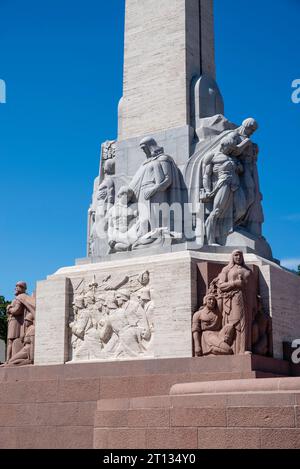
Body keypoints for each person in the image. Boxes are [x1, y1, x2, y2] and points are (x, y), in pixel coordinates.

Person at [129, 137, 183, 239]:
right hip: (143, 192)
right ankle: (146, 238)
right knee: (144, 218)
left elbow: (167, 180)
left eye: (144, 148)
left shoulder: (163, 159)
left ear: (150, 146)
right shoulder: (146, 162)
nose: (143, 151)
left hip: (156, 191)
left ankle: (158, 237)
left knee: (156, 216)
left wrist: (153, 189)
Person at [201, 135, 246, 245]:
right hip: (223, 184)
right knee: (216, 212)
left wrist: (239, 167)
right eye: (229, 148)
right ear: (222, 145)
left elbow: (241, 170)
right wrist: (207, 190)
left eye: (232, 149)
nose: (230, 150)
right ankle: (211, 240)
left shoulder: (233, 157)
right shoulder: (212, 156)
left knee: (242, 210)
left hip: (235, 185)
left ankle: (225, 229)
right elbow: (206, 175)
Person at [214, 250, 253, 354]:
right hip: (232, 299)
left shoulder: (248, 270)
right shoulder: (226, 269)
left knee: (245, 323)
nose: (238, 257)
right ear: (232, 257)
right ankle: (234, 349)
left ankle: (243, 349)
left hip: (246, 299)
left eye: (240, 255)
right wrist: (235, 283)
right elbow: (221, 285)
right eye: (236, 255)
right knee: (235, 322)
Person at [6, 282, 36, 362]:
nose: (15, 288)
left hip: (15, 322)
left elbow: (17, 311)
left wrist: (9, 308)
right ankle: (9, 359)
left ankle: (8, 360)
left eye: (18, 286)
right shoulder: (19, 297)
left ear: (22, 288)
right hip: (14, 321)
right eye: (15, 286)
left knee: (11, 341)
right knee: (11, 341)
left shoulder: (20, 297)